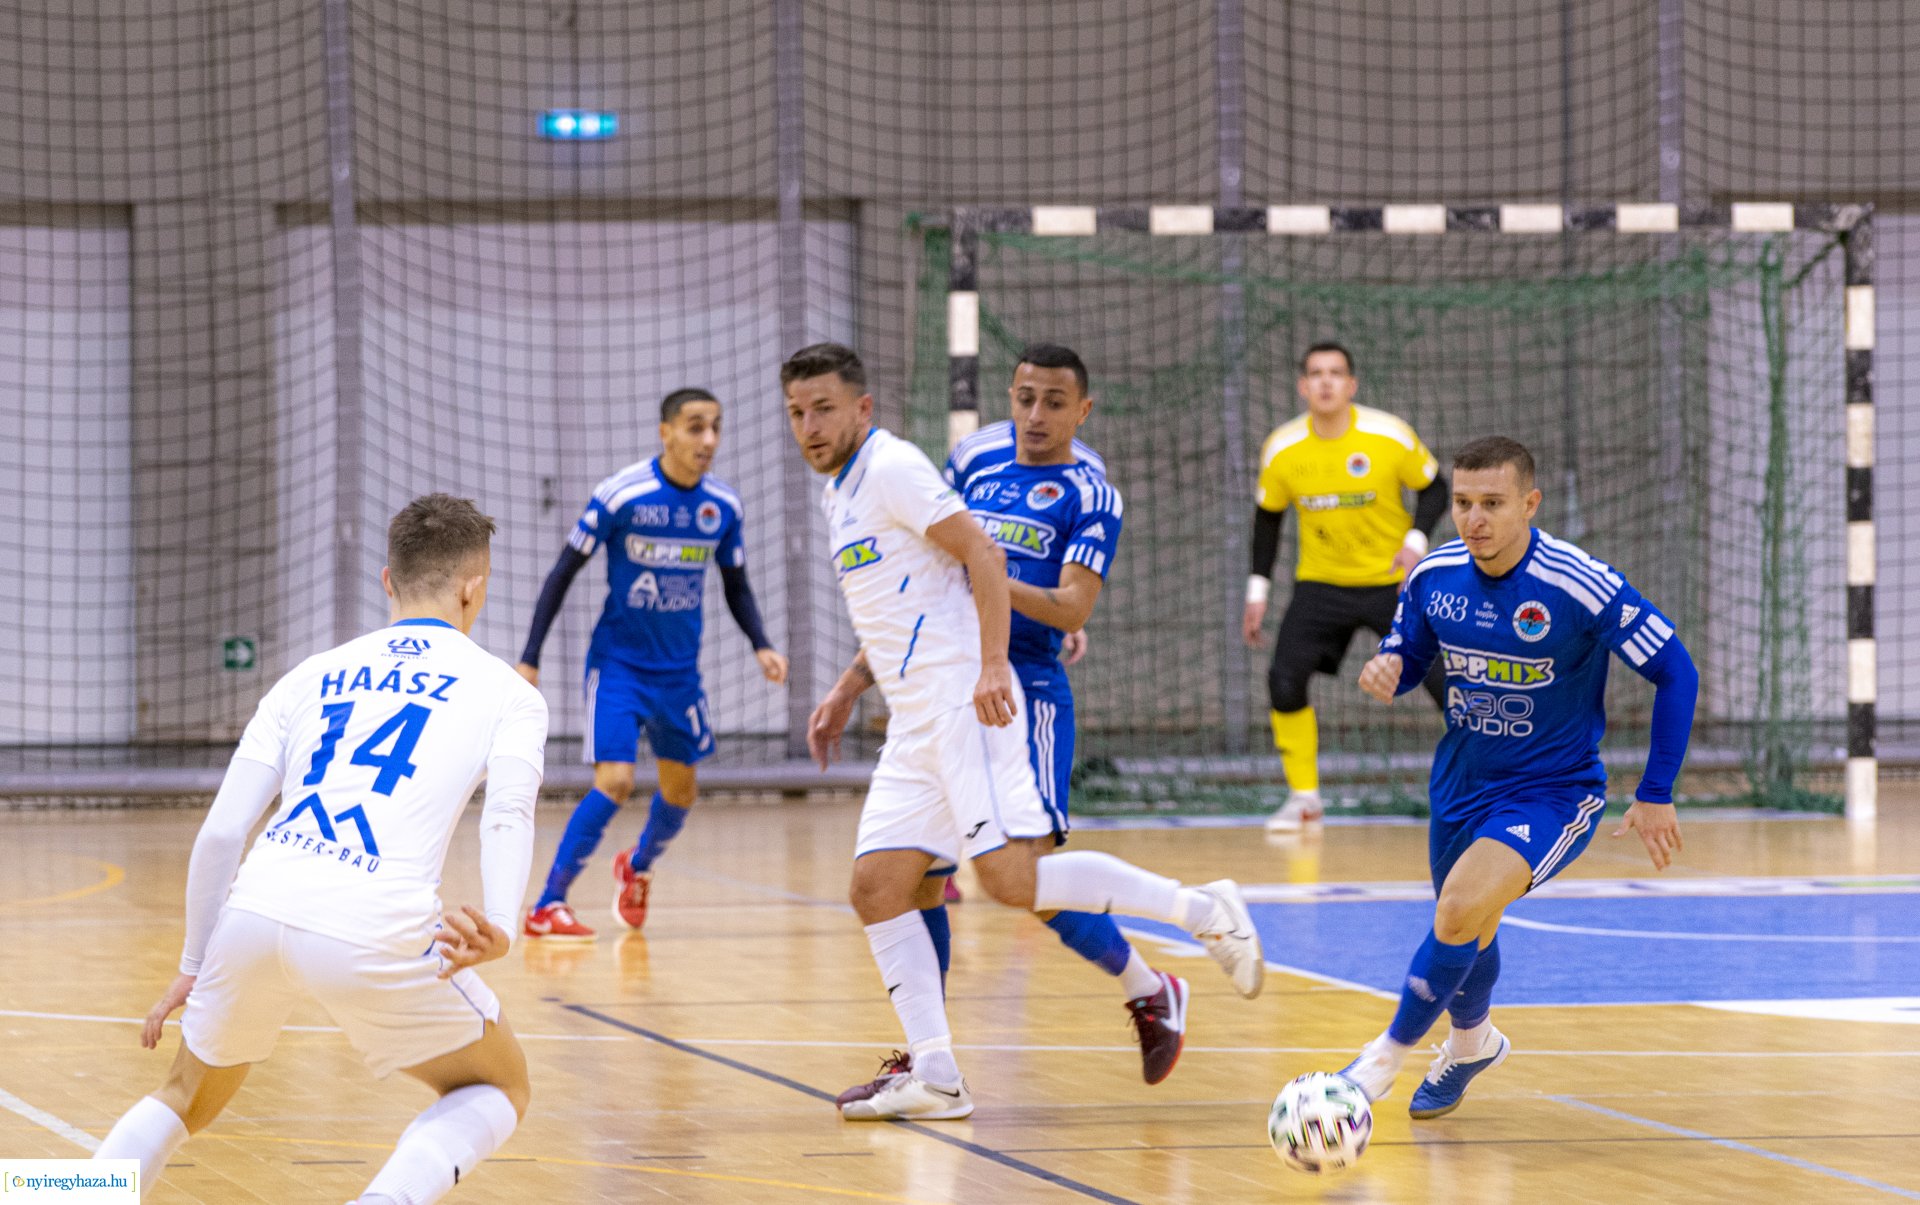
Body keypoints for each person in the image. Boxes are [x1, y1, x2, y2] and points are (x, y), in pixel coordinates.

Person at [787, 342, 1264, 1122]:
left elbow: (987, 564)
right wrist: (849, 684)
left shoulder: (912, 470)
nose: (809, 426)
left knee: (1013, 878)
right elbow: (908, 590)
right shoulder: (918, 469)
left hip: (985, 693)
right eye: (797, 414)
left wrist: (992, 652)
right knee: (882, 887)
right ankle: (936, 1072)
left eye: (824, 409)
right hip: (918, 709)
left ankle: (1199, 911)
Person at [92, 494, 548, 1205]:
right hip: (375, 923)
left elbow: (219, 833)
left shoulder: (308, 674)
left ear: (387, 580)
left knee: (182, 1097)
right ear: (475, 586)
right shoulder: (507, 691)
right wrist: (501, 924)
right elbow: (508, 812)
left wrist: (196, 962)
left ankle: (50, 1194)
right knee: (500, 1083)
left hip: (256, 909)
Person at [1332, 436, 1696, 1119]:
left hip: (1554, 791)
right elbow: (1409, 652)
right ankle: (1472, 1043)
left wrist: (1655, 792)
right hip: (1462, 782)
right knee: (1471, 920)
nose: (1474, 519)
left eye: (1492, 503)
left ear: (1529, 503)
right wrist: (1390, 669)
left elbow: (1676, 670)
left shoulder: (1579, 582)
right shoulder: (1433, 575)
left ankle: (1374, 1066)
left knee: (1459, 906)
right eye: (1464, 503)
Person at [917, 343, 1187, 1084]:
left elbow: (1070, 601)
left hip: (1024, 688)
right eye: (1025, 397)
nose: (1036, 415)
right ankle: (929, 1056)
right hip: (946, 679)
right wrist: (860, 678)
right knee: (909, 875)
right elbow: (930, 559)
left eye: (1055, 402)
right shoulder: (971, 457)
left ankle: (1150, 982)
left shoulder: (1088, 488)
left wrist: (996, 581)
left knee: (1026, 880)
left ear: (1083, 409)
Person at [516, 388, 787, 940]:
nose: (708, 440)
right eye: (694, 427)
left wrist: (761, 642)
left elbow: (737, 585)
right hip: (618, 666)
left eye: (715, 427)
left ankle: (635, 868)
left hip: (680, 675)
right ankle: (549, 904)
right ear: (666, 432)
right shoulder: (623, 495)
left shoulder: (723, 508)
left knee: (681, 792)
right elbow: (561, 573)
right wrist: (530, 658)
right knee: (614, 781)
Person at [1244, 342, 1451, 832]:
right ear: (1303, 386)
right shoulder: (1282, 447)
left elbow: (1436, 487)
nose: (1326, 382)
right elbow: (1267, 521)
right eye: (1316, 373)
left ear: (1351, 385)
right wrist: (1257, 593)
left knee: (1448, 680)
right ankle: (1305, 799)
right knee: (1283, 678)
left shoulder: (1389, 435)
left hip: (1391, 584)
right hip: (1320, 585)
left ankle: (1485, 784)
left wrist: (1416, 541)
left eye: (1336, 373)